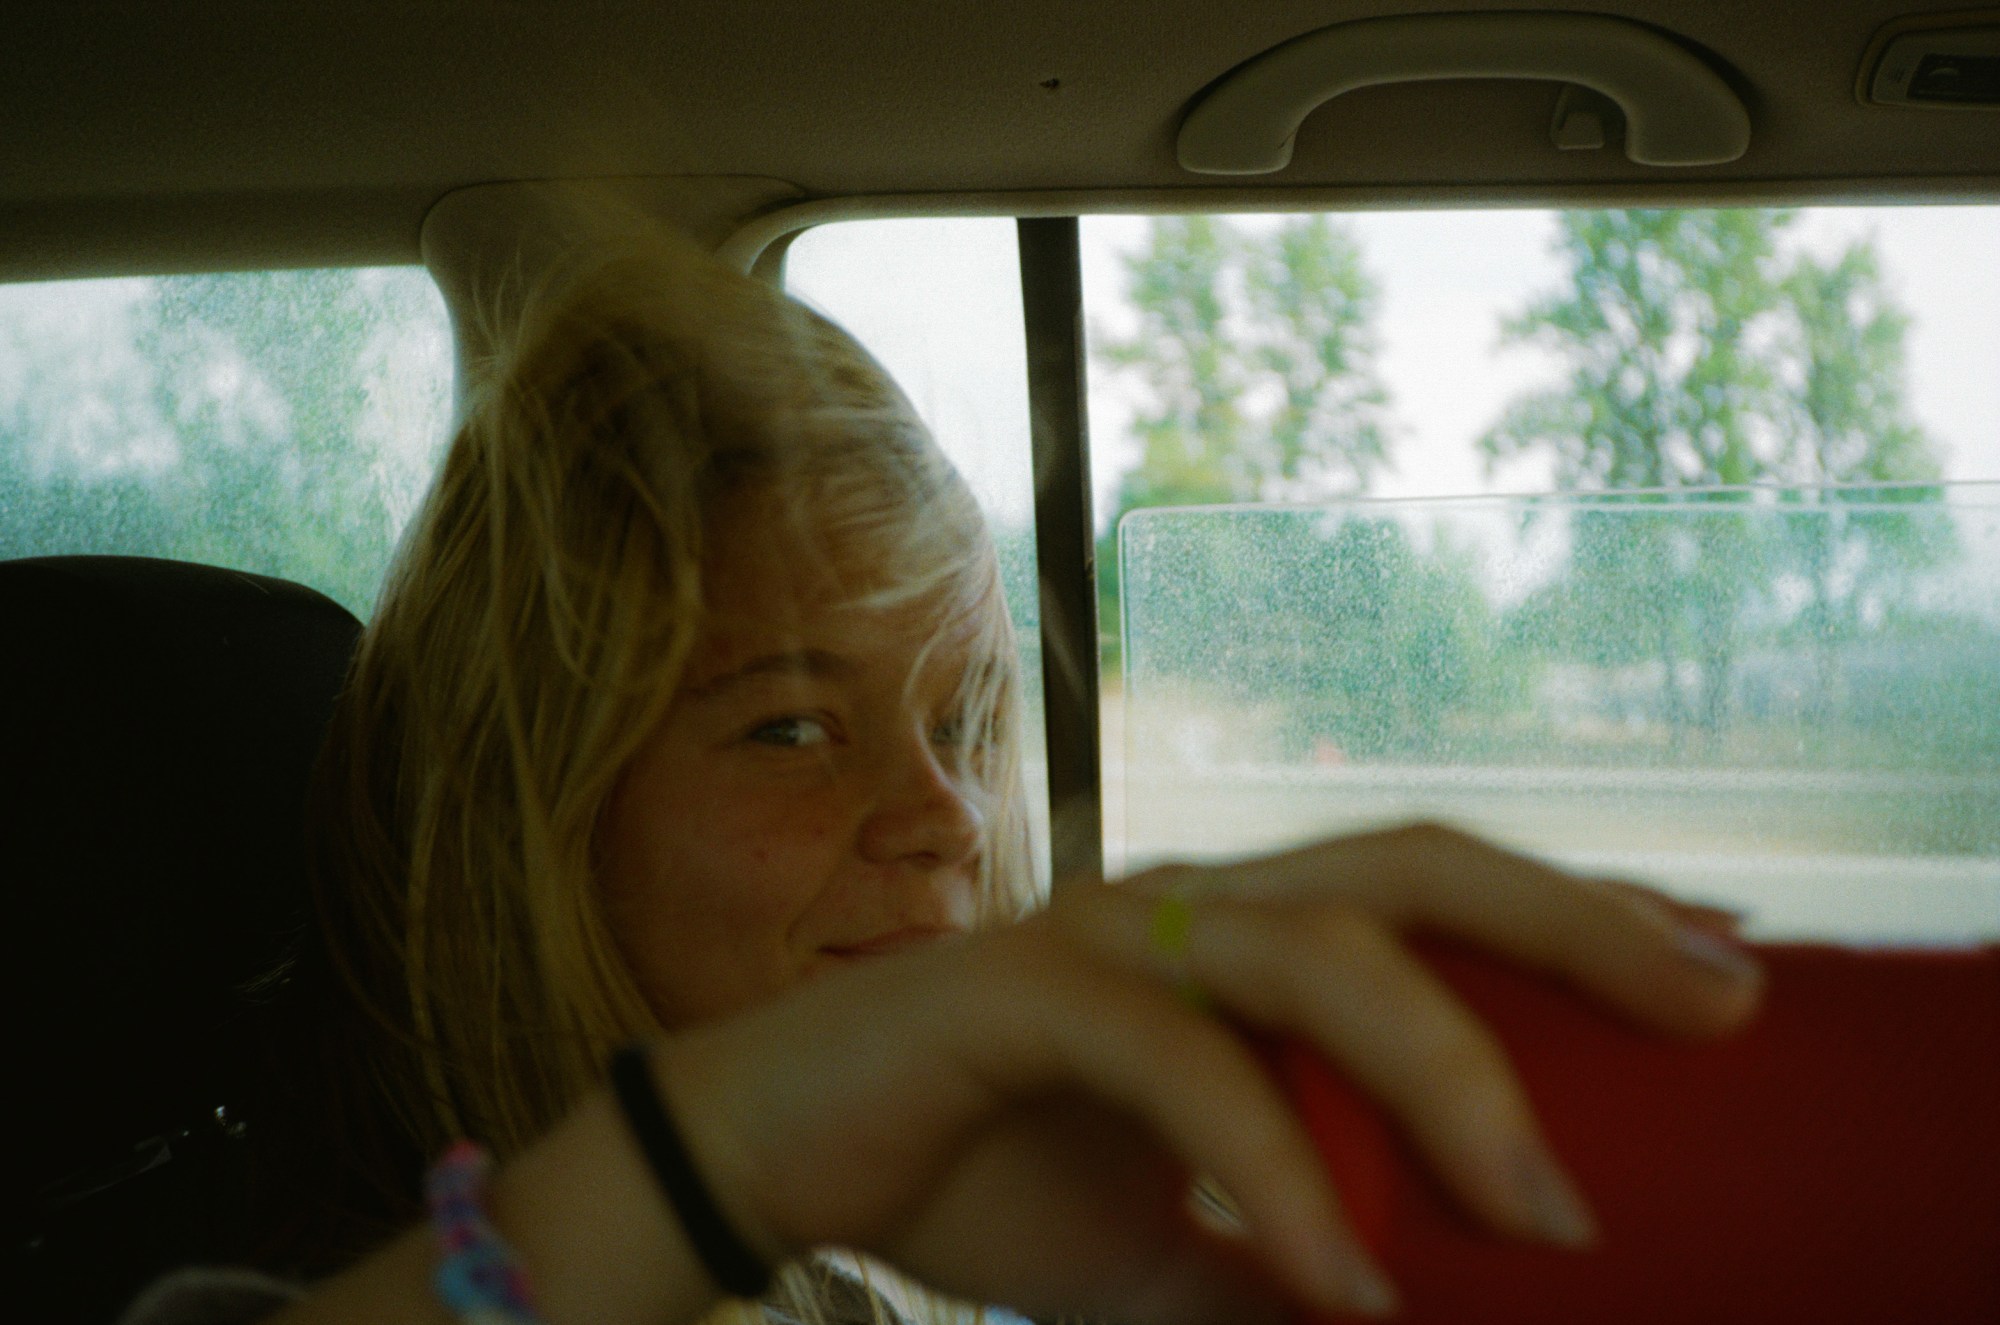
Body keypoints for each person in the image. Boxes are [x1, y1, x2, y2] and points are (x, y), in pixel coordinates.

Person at [125, 229, 1764, 1325]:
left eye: (967, 716)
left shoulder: (883, 1242)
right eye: (789, 726)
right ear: (532, 806)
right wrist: (716, 1159)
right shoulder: (339, 1254)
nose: (951, 816)